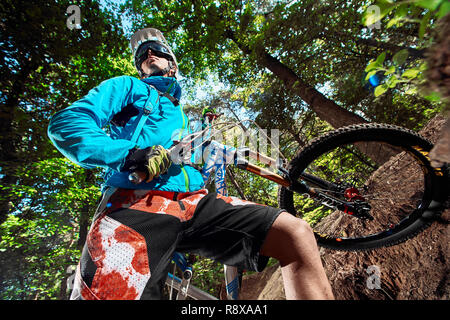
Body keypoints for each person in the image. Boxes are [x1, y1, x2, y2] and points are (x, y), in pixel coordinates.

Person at [48, 28, 334, 300]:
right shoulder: (128, 87)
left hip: (195, 204)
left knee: (295, 233)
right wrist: (130, 154)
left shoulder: (183, 118)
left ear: (173, 65)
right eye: (142, 55)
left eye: (156, 51)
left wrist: (234, 151)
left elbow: (201, 151)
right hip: (133, 205)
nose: (148, 54)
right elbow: (67, 125)